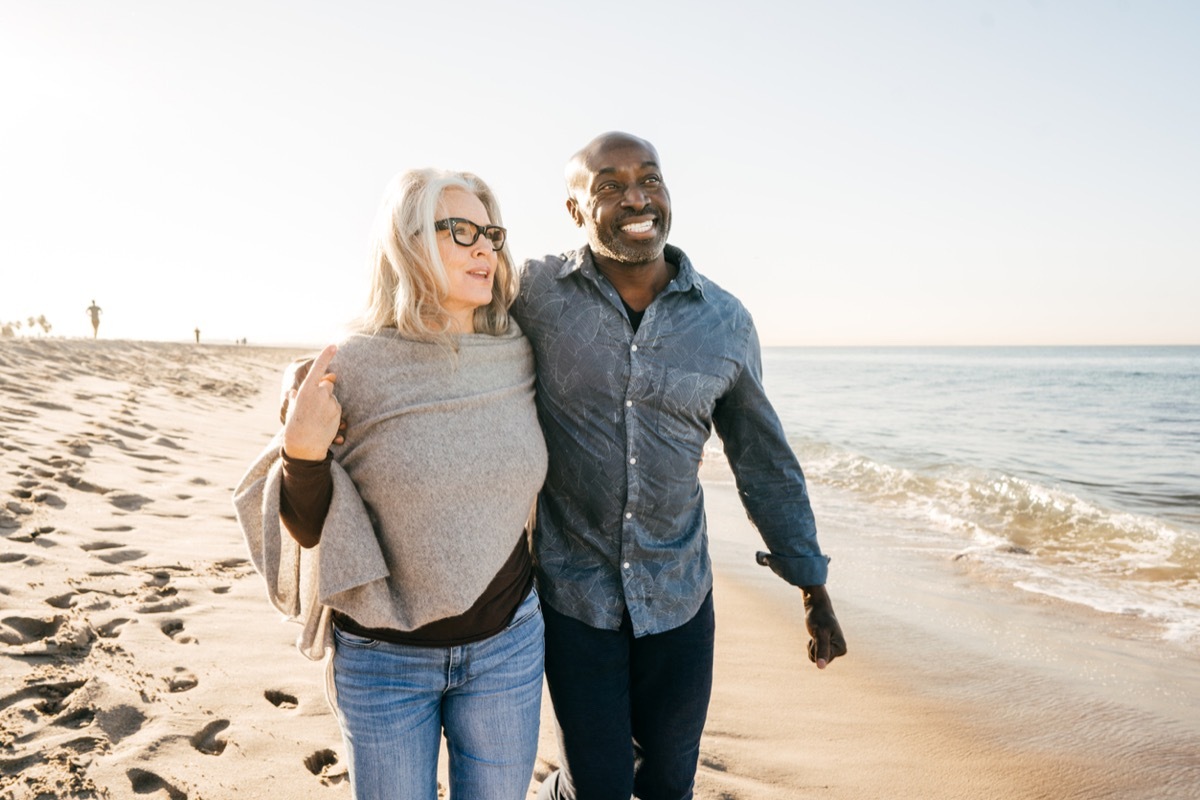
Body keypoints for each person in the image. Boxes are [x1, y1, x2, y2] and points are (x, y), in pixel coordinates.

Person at [510, 132, 848, 800]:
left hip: (678, 596)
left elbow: (763, 459)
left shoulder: (723, 322)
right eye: (609, 185)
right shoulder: (534, 295)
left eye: (651, 180)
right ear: (576, 210)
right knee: (597, 787)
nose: (637, 198)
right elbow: (441, 325)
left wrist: (811, 583)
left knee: (669, 783)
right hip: (573, 595)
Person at [233, 169, 548, 800]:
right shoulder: (353, 366)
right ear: (407, 243)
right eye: (461, 231)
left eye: (490, 232)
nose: (485, 247)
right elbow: (306, 528)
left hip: (507, 644)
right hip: (384, 660)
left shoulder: (517, 351)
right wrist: (301, 451)